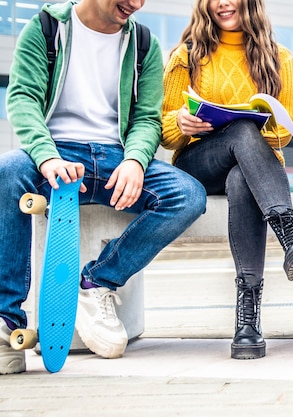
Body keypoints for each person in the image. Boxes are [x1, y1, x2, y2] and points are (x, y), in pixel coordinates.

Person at [0, 0, 208, 374]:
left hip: (114, 158)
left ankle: (97, 281)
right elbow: (22, 98)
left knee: (188, 195)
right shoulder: (46, 27)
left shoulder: (143, 42)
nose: (136, 4)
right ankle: (6, 325)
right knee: (9, 170)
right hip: (56, 152)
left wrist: (135, 160)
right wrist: (47, 157)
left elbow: (146, 118)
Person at [161, 0, 293, 360]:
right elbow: (164, 131)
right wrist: (181, 124)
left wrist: (253, 127)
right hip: (199, 166)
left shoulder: (279, 57)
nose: (222, 3)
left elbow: (283, 133)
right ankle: (292, 236)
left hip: (251, 170)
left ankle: (247, 324)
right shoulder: (186, 57)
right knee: (240, 132)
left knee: (241, 174)